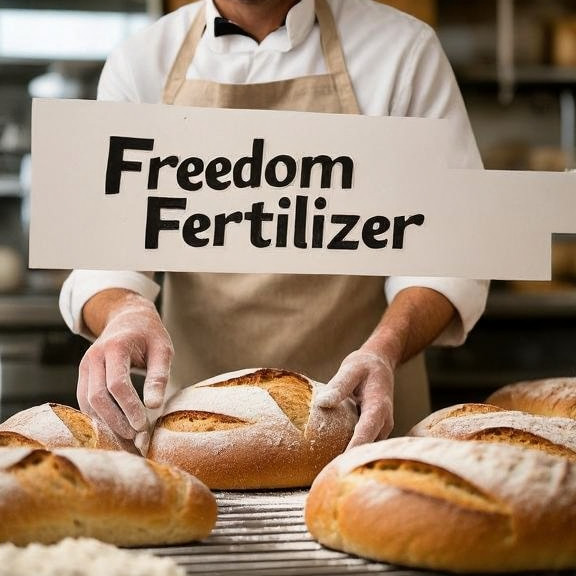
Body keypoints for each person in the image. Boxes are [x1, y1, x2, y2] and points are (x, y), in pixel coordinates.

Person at [59, 0, 489, 451]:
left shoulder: (403, 51)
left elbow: (450, 250)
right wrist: (123, 314)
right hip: (200, 433)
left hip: (369, 426)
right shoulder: (142, 61)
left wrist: (385, 348)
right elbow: (104, 257)